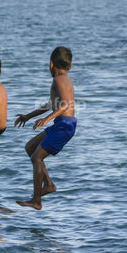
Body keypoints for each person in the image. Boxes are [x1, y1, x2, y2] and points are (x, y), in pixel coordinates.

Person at [15, 46, 76, 210]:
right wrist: (29, 116)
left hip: (64, 125)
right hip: (63, 124)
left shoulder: (57, 80)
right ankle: (48, 184)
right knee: (30, 148)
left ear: (51, 64)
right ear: (69, 66)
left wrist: (46, 119)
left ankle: (36, 201)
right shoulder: (66, 79)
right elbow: (51, 104)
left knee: (36, 158)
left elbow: (65, 105)